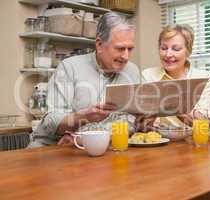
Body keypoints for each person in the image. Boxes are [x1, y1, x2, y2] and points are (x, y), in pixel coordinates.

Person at [28, 12, 140, 148]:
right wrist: (83, 117)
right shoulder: (69, 68)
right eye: (120, 48)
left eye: (130, 49)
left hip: (100, 148)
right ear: (99, 45)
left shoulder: (132, 71)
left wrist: (141, 121)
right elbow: (50, 123)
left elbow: (129, 121)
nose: (126, 56)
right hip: (53, 148)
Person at [136, 24, 210, 130]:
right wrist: (144, 121)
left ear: (188, 51)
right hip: (161, 142)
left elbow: (204, 124)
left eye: (176, 49)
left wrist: (174, 106)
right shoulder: (148, 76)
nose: (168, 54)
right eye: (164, 48)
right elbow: (143, 126)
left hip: (195, 141)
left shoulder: (205, 78)